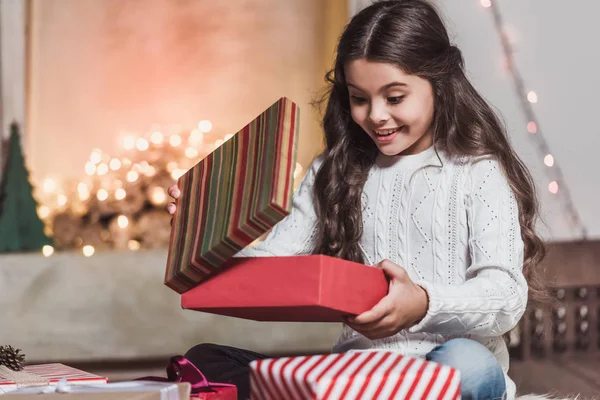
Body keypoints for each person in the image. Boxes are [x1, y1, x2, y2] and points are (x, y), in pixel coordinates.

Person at [167, 1, 546, 399]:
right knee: (205, 361)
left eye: (395, 97)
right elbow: (273, 270)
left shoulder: (478, 173)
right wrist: (201, 237)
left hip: (444, 374)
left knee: (468, 365)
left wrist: (423, 303)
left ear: (440, 82)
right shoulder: (334, 171)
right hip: (360, 377)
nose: (376, 115)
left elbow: (505, 294)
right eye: (359, 98)